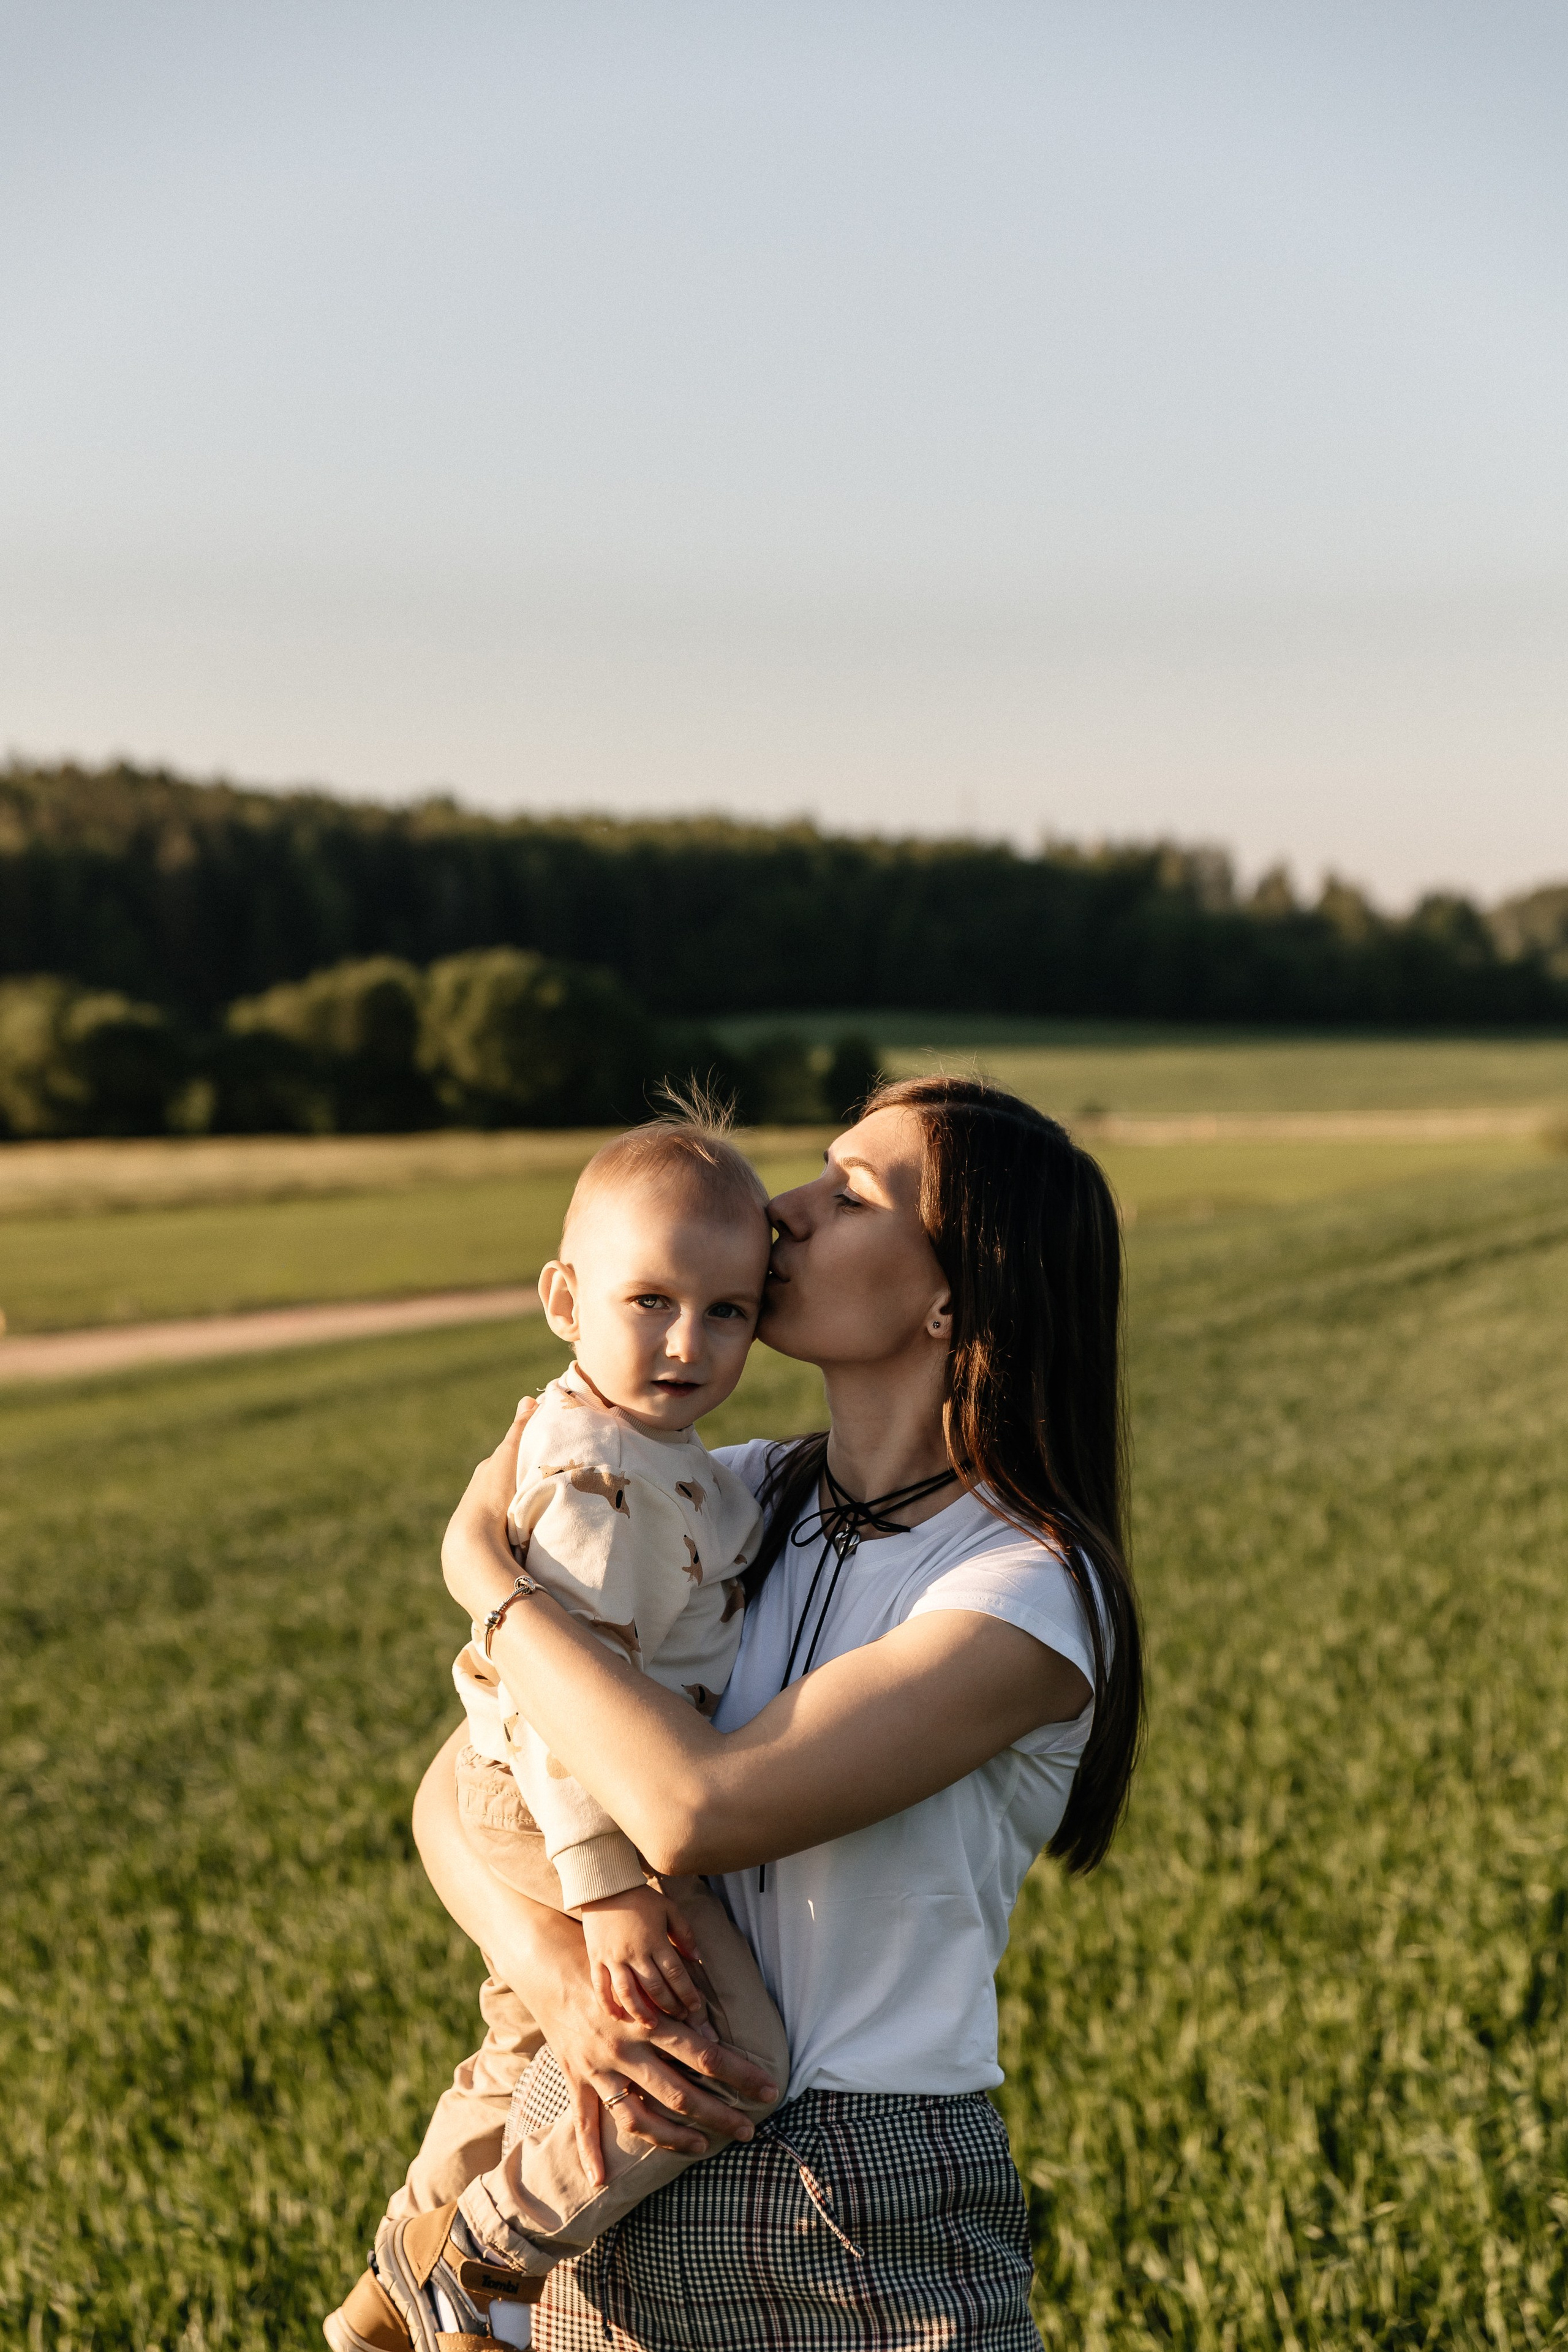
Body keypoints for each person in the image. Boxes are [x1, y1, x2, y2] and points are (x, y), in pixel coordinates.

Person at [413, 1073, 1144, 2350]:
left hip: (855, 2210)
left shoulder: (1021, 1594)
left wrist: (485, 1578)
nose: (780, 1213)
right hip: (597, 2149)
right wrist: (559, 1978)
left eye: (849, 1193)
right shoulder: (718, 1501)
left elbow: (694, 1808)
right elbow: (454, 1791)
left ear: (951, 1295)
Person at [325, 1115, 791, 2352]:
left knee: (526, 2032)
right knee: (726, 2047)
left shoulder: (649, 1449)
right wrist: (609, 1893)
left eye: (729, 1311)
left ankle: (395, 2267)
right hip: (568, 1805)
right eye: (651, 1301)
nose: (689, 1342)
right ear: (561, 1298)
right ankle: (480, 2256)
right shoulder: (602, 1479)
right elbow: (555, 1694)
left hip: (533, 1789)